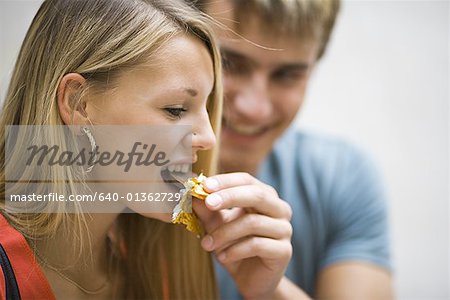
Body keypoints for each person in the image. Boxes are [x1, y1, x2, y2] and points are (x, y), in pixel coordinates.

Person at [0, 0, 293, 299]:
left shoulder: (156, 266)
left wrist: (268, 291)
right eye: (176, 109)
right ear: (79, 104)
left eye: (206, 107)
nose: (208, 138)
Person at [190, 0, 394, 299]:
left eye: (286, 75)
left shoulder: (342, 176)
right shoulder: (118, 173)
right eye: (230, 63)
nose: (255, 109)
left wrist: (271, 290)